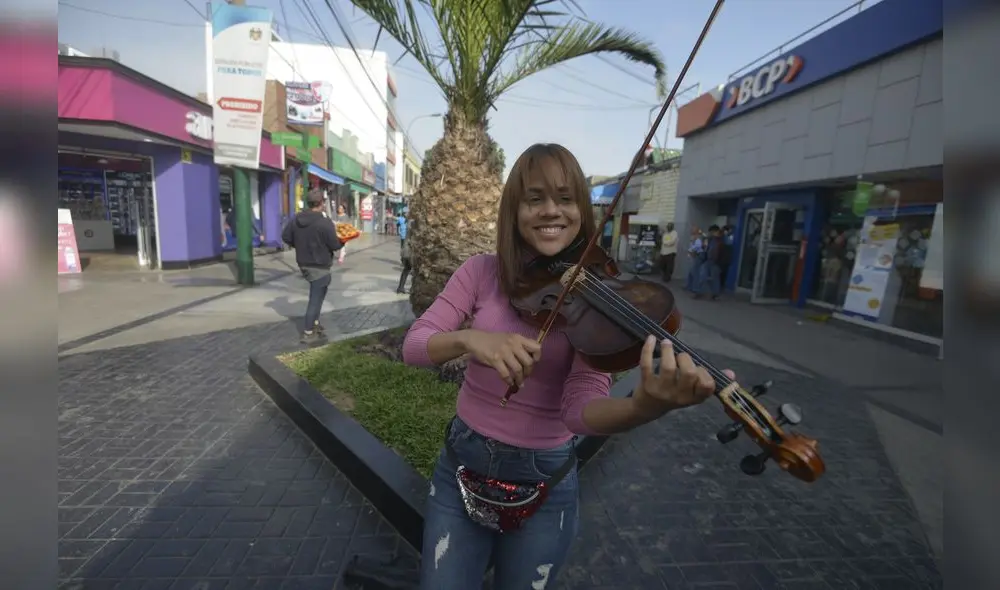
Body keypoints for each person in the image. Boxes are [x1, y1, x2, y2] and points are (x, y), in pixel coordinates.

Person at [401, 143, 731, 590]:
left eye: (565, 197)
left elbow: (579, 410)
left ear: (582, 208)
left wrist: (643, 408)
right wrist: (469, 339)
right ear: (514, 210)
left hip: (545, 484)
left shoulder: (596, 296)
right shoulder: (481, 272)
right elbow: (415, 345)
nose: (550, 211)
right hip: (462, 466)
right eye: (534, 198)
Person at [282, 189, 343, 343]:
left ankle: (315, 323)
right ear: (322, 203)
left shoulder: (297, 219)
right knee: (315, 298)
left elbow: (286, 236)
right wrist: (343, 241)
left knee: (320, 293)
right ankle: (308, 331)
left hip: (303, 263)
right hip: (320, 264)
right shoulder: (324, 222)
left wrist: (300, 245)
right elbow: (334, 244)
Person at [695, 225, 724, 300]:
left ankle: (712, 293)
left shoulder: (719, 240)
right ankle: (701, 292)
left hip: (715, 261)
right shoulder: (712, 239)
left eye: (712, 232)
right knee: (705, 276)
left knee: (713, 277)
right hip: (710, 260)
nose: (711, 233)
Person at [684, 227, 705, 291]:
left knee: (695, 273)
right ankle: (689, 286)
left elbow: (697, 247)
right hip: (694, 255)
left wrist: (690, 251)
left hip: (697, 255)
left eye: (693, 230)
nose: (691, 232)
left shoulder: (699, 238)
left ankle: (695, 288)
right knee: (691, 272)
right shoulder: (694, 237)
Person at [396, 219, 414, 294]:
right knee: (413, 270)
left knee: (406, 269)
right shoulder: (413, 223)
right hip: (410, 251)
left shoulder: (409, 222)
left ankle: (400, 288)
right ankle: (412, 289)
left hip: (405, 250)